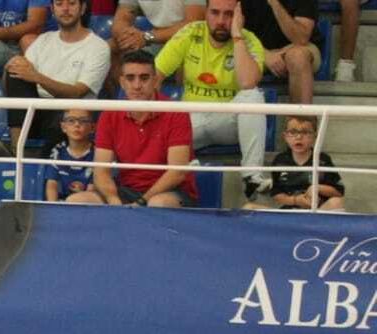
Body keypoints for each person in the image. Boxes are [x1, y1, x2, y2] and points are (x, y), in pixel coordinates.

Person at [154, 0, 267, 199]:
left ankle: (252, 177)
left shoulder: (250, 40)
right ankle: (180, 165)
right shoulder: (190, 33)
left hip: (228, 122)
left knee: (254, 95)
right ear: (206, 13)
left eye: (229, 14)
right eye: (215, 13)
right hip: (189, 121)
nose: (221, 21)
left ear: (239, 16)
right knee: (162, 118)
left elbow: (248, 81)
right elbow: (154, 77)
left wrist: (238, 37)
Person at [67, 49, 196, 206]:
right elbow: (101, 172)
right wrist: (114, 201)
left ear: (155, 81)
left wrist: (141, 202)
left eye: (144, 78)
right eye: (130, 78)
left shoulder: (176, 113)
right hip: (126, 190)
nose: (137, 85)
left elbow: (177, 173)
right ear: (122, 82)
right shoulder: (110, 115)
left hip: (170, 192)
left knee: (158, 203)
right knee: (77, 201)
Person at [0, 0, 107, 148]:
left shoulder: (98, 47)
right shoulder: (43, 40)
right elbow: (18, 81)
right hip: (36, 112)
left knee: (62, 117)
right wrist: (10, 67)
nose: (65, 9)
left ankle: (27, 156)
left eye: (71, 3)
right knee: (16, 70)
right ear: (53, 9)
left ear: (82, 8)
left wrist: (37, 77)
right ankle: (17, 150)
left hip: (74, 114)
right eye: (59, 4)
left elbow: (77, 93)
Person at [250, 114, 344, 211]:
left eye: (305, 132)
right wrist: (295, 200)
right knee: (249, 207)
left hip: (317, 212)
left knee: (336, 202)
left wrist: (316, 188)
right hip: (290, 211)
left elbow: (339, 192)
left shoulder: (323, 160)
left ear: (315, 136)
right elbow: (276, 193)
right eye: (293, 132)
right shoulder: (280, 160)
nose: (298, 137)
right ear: (285, 136)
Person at [240, 0, 320, 106]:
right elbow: (231, 31)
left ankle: (300, 121)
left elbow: (301, 38)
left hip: (296, 47)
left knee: (298, 57)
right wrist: (265, 55)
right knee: (232, 51)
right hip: (254, 48)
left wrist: (275, 3)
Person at [42, 107, 95, 201]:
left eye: (83, 121)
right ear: (63, 127)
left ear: (92, 127)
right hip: (60, 204)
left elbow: (93, 188)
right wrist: (53, 208)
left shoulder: (98, 152)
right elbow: (51, 184)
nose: (77, 124)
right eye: (71, 120)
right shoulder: (57, 151)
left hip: (87, 205)